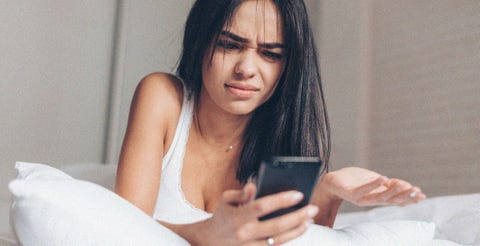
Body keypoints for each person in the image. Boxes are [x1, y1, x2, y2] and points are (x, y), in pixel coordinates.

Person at [115, 0, 426, 245]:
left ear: (287, 67)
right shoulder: (162, 97)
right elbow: (119, 227)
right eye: (230, 44)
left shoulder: (283, 140)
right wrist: (205, 235)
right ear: (202, 42)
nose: (247, 69)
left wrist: (328, 192)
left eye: (270, 54)